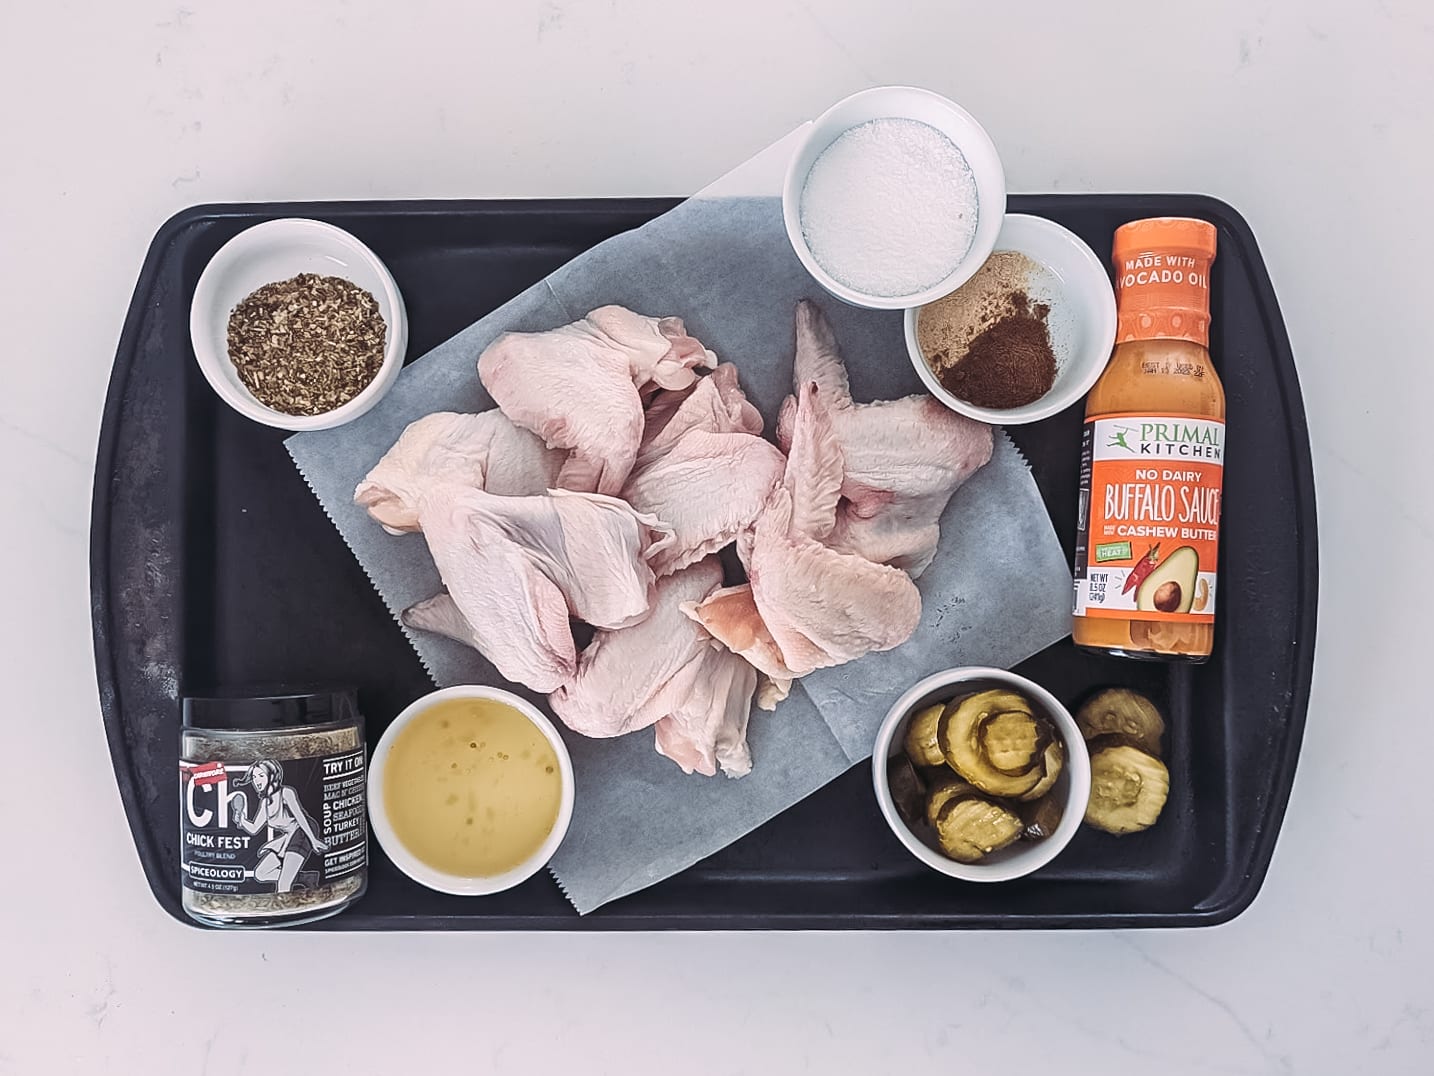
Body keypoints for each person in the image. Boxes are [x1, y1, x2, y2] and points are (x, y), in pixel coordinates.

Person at [229, 759, 328, 893]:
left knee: (283, 884)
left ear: (272, 776)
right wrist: (241, 820)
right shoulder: (265, 803)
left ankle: (289, 909)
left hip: (302, 831)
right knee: (260, 873)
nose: (256, 780)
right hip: (288, 836)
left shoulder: (286, 793)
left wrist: (313, 839)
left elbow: (300, 816)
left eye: (261, 775)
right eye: (253, 777)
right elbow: (254, 828)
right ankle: (306, 878)